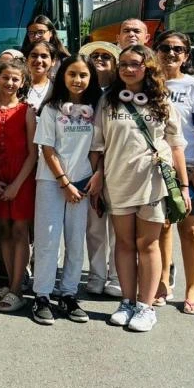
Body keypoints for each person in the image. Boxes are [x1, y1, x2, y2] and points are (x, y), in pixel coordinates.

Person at [91, 45, 190, 333]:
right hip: (118, 182)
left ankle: (146, 307)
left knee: (148, 245)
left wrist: (183, 185)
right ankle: (126, 302)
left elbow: (176, 145)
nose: (127, 69)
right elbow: (98, 145)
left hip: (153, 183)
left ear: (147, 66)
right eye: (123, 64)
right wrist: (98, 175)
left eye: (134, 64)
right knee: (123, 244)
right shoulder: (108, 101)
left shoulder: (161, 101)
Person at [30, 54, 102, 325]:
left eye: (84, 75)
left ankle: (69, 294)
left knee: (75, 241)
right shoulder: (51, 109)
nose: (78, 79)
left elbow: (97, 148)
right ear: (62, 76)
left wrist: (89, 180)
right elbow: (47, 148)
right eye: (72, 74)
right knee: (48, 240)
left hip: (82, 183)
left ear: (91, 78)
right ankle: (42, 296)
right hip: (51, 181)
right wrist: (64, 182)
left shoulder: (97, 108)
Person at [154, 30, 194, 315]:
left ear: (186, 56)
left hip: (191, 166)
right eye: (166, 47)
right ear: (156, 50)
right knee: (163, 226)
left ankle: (192, 289)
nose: (171, 53)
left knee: (191, 229)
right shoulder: (150, 84)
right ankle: (162, 283)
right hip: (159, 166)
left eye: (178, 49)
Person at [0, 58, 36, 313]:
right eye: (6, 78)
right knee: (3, 231)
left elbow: (33, 153)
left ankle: (17, 288)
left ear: (23, 82)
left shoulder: (27, 111)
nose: (10, 83)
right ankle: (10, 280)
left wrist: (17, 184)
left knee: (19, 232)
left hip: (21, 180)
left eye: (16, 79)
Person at [77, 40, 121, 297]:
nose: (101, 59)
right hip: (87, 167)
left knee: (118, 226)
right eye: (95, 56)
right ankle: (96, 274)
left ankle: (116, 276)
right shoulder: (83, 92)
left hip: (116, 168)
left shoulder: (120, 93)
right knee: (94, 226)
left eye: (106, 56)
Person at [24, 40, 55, 111]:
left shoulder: (57, 89)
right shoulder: (18, 87)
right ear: (26, 60)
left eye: (44, 56)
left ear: (53, 61)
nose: (38, 60)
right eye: (34, 56)